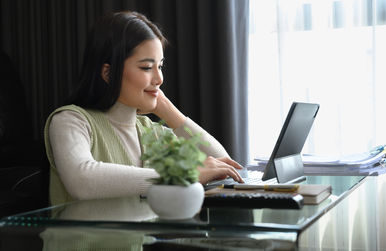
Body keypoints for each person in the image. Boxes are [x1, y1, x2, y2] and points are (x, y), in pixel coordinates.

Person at [44, 11, 243, 206]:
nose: (159, 79)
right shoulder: (70, 120)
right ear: (108, 73)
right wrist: (181, 176)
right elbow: (82, 181)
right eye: (147, 68)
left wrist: (166, 109)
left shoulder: (151, 131)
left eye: (160, 66)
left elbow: (221, 164)